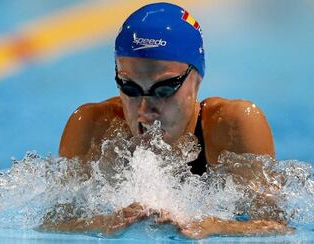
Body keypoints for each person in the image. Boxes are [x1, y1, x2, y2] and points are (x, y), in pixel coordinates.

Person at [41, 2, 294, 239]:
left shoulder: (231, 126)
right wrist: (102, 224)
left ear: (196, 79)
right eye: (129, 88)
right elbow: (52, 224)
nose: (145, 109)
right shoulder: (93, 127)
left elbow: (277, 227)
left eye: (164, 90)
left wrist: (215, 226)